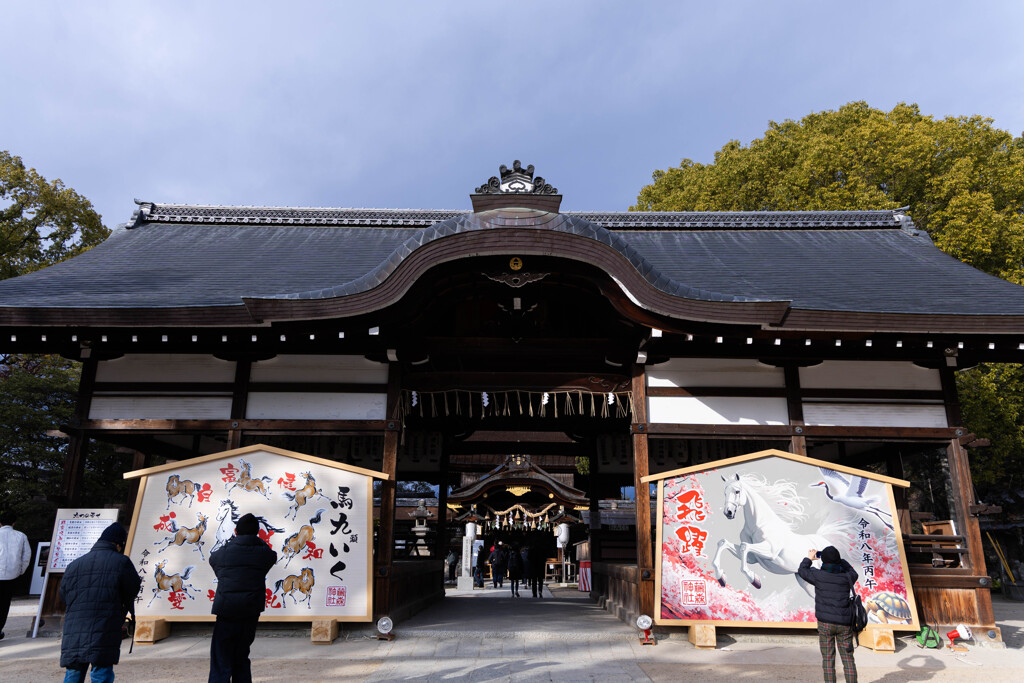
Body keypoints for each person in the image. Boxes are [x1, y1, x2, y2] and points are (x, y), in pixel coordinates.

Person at [59, 522, 141, 683]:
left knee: (74, 671)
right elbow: (132, 588)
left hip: (74, 626)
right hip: (105, 623)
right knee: (101, 670)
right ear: (118, 544)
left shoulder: (74, 564)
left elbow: (63, 595)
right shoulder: (121, 562)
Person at [208, 512, 276, 683]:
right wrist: (256, 540)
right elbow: (271, 555)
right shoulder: (263, 553)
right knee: (241, 656)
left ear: (236, 532)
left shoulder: (223, 553)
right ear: (257, 533)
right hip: (250, 610)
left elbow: (213, 560)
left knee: (221, 659)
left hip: (226, 610)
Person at [798, 546, 859, 683]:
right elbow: (853, 572)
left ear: (823, 561)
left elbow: (802, 570)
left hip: (825, 624)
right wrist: (840, 560)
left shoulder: (818, 576)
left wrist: (809, 559)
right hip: (844, 624)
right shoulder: (847, 577)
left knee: (828, 659)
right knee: (848, 659)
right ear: (838, 560)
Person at [0, 510, 32, 641]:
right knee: (4, 603)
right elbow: (26, 556)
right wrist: (20, 571)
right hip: (11, 575)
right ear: (14, 523)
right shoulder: (21, 536)